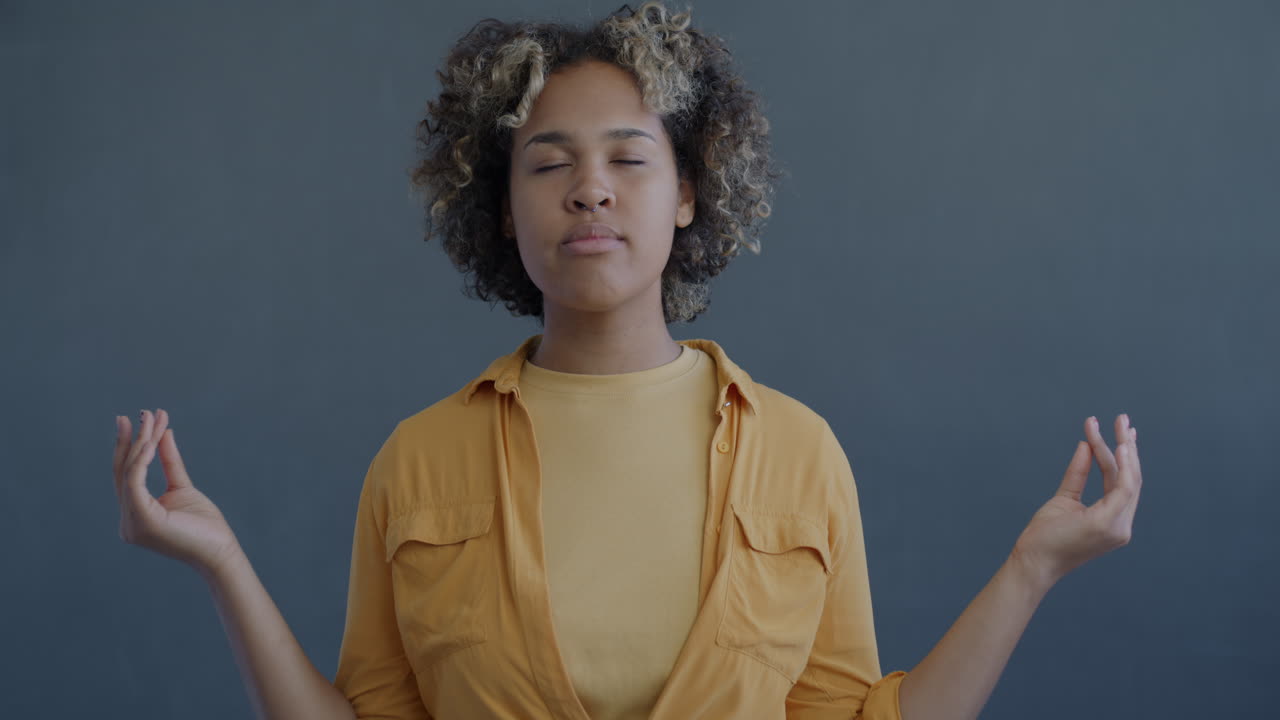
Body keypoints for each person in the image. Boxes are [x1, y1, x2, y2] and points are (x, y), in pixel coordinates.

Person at [111, 2, 1143, 719]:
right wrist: (223, 564)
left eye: (628, 159)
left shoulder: (797, 451)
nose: (589, 190)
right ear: (501, 208)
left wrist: (1031, 568)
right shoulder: (416, 461)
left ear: (687, 192)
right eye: (548, 164)